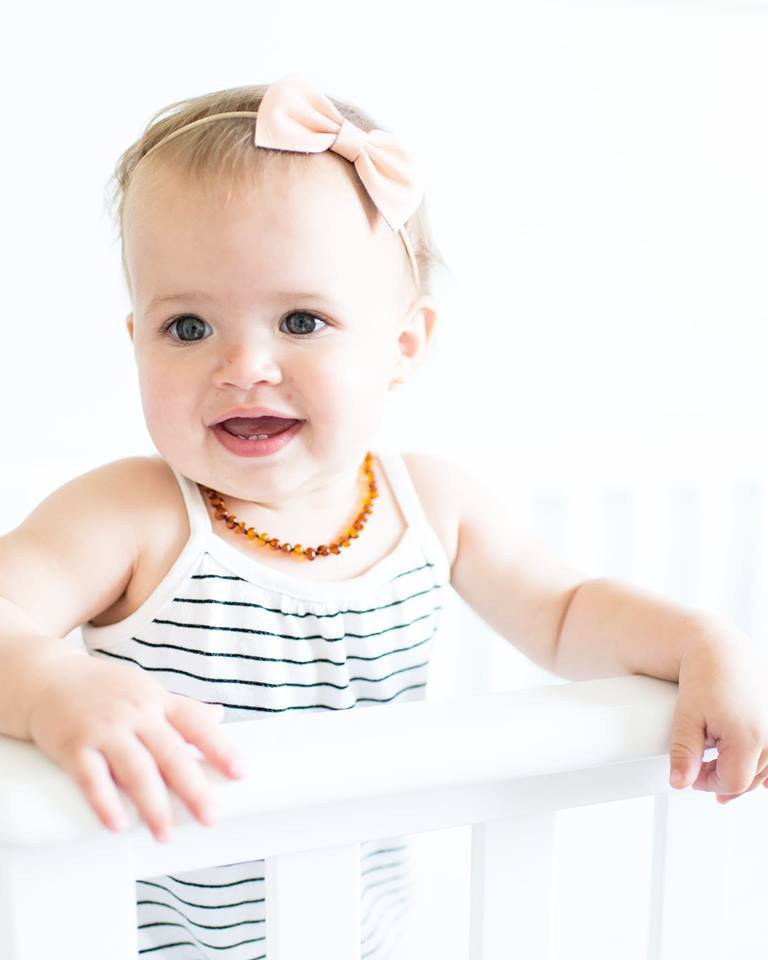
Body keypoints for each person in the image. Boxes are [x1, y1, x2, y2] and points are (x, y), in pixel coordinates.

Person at [0, 72, 766, 960]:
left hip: (359, 934)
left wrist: (702, 643)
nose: (244, 365)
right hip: (136, 939)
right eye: (188, 328)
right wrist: (51, 686)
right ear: (136, 339)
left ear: (402, 346)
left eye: (301, 320)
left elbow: (566, 611)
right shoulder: (130, 516)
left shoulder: (431, 506)